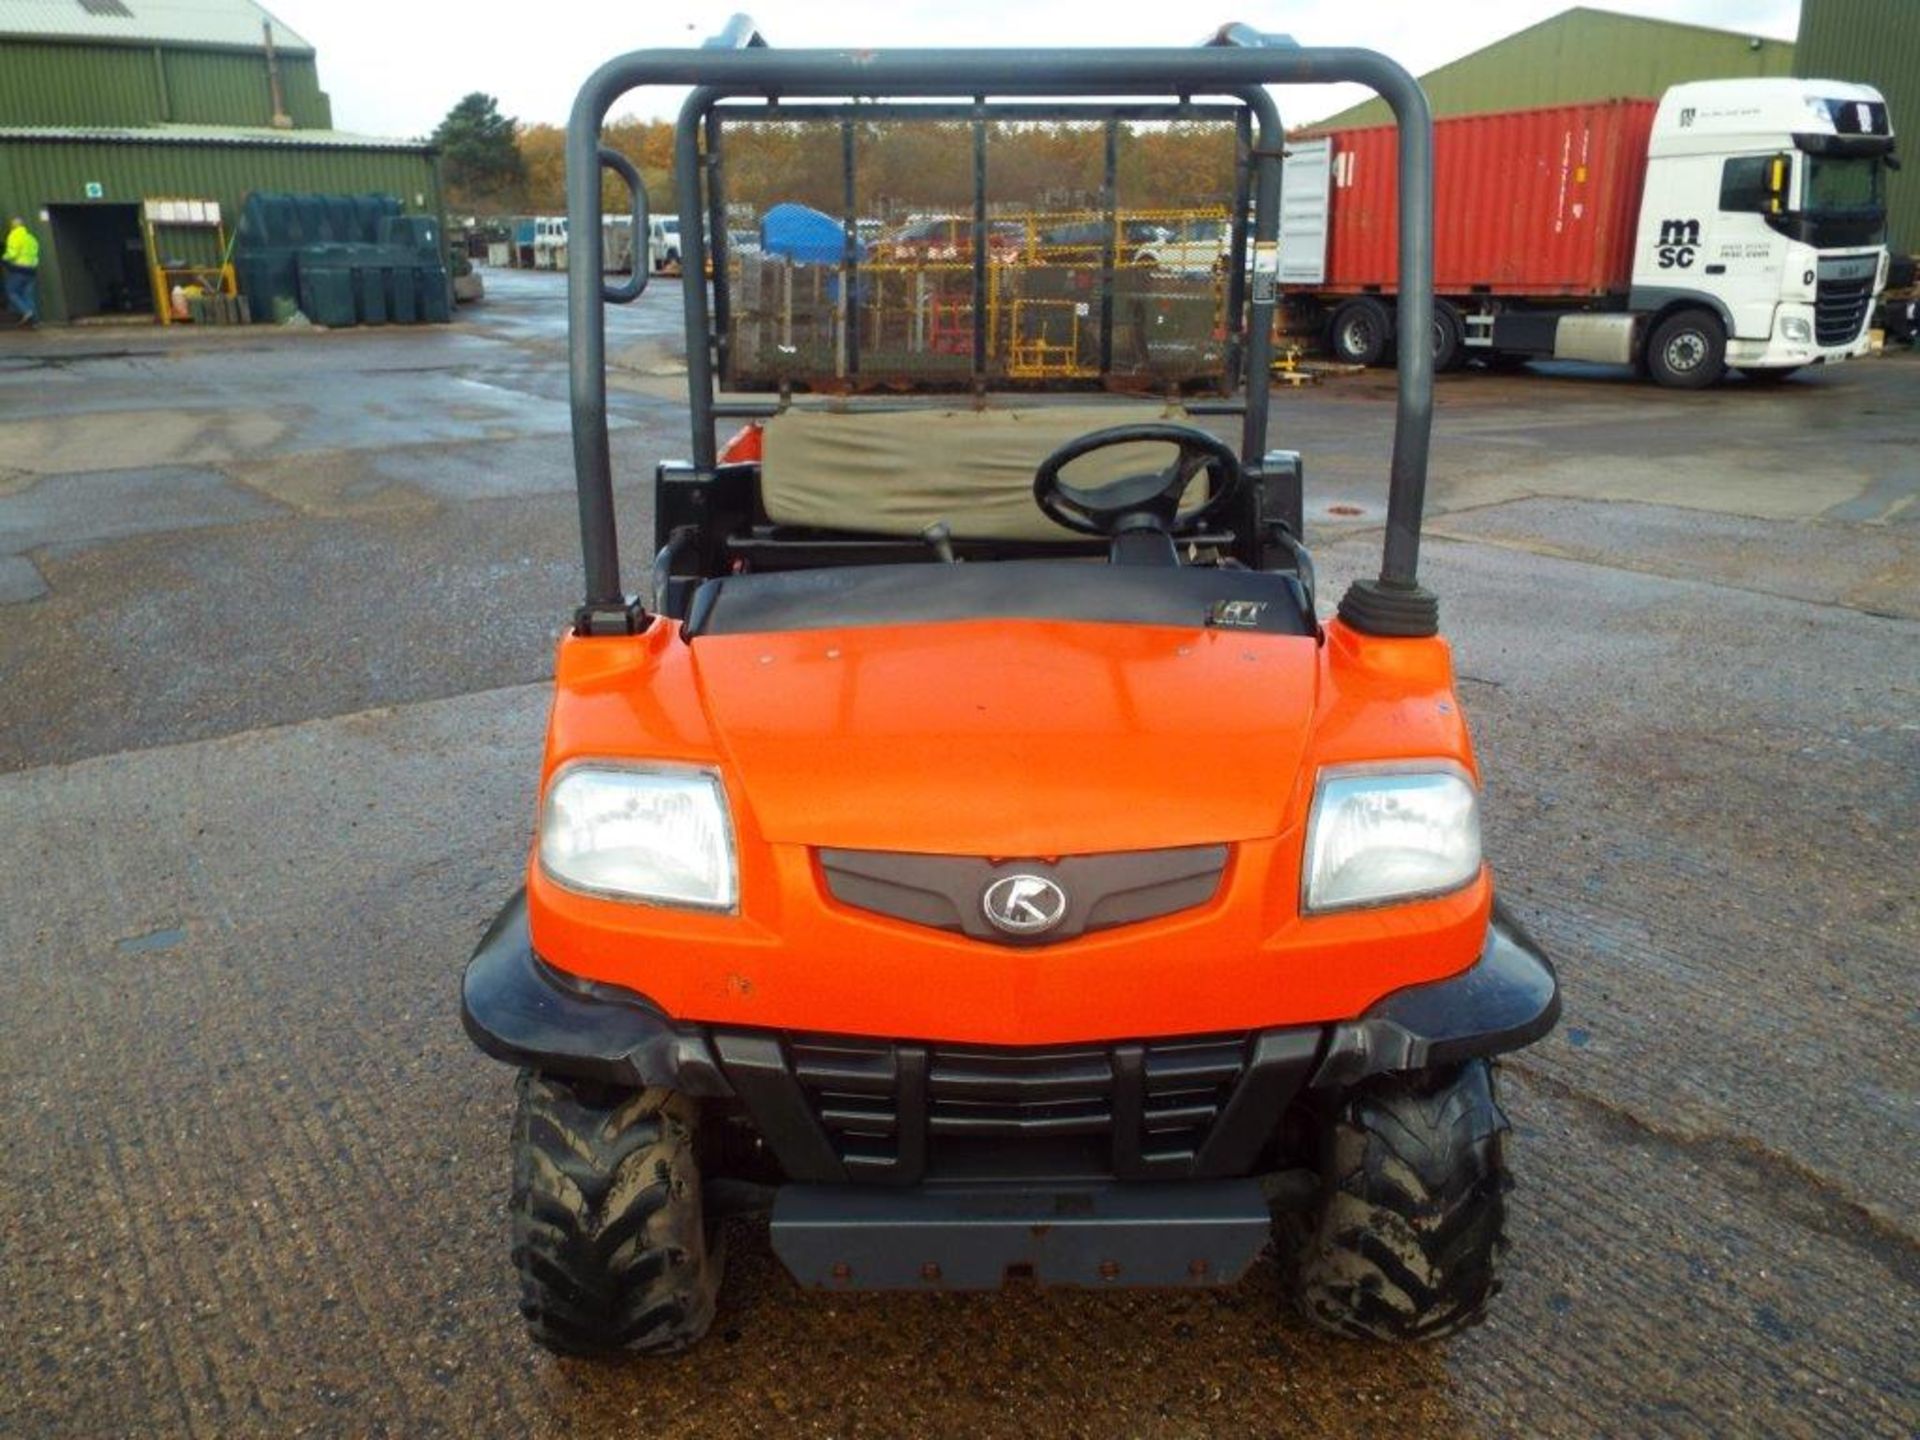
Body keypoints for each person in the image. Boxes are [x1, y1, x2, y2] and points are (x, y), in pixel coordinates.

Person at [4, 215, 41, 328]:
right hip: (32, 270)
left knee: (11, 291)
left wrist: (4, 258)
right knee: (28, 295)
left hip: (19, 269)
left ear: (14, 225)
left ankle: (26, 312)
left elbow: (12, 253)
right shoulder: (31, 238)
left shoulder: (14, 235)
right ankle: (34, 321)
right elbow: (35, 255)